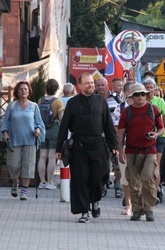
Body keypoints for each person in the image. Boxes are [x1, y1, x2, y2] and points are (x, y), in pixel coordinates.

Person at [56, 73, 118, 223]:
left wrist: (113, 145)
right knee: (80, 178)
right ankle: (84, 211)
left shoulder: (101, 102)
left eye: (92, 82)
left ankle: (95, 200)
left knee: (99, 176)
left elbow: (108, 125)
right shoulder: (72, 103)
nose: (91, 85)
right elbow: (64, 126)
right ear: (80, 86)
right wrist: (59, 148)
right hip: (79, 146)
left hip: (98, 145)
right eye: (87, 83)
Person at [117, 84, 165, 222]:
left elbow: (161, 128)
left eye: (143, 94)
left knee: (148, 178)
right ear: (131, 97)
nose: (140, 97)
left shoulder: (153, 109)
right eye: (137, 95)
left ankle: (149, 208)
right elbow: (120, 134)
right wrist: (121, 151)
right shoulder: (127, 112)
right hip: (131, 151)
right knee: (133, 182)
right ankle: (137, 209)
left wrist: (155, 134)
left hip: (149, 151)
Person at [0, 81, 46, 201]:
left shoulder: (34, 106)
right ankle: (15, 182)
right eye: (21, 89)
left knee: (28, 166)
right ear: (17, 92)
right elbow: (6, 122)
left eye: (25, 89)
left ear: (29, 91)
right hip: (14, 140)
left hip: (30, 140)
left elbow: (39, 123)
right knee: (13, 165)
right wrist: (4, 132)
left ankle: (24, 191)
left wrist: (38, 130)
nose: (23, 91)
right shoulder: (12, 106)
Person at [143, 77, 165, 204]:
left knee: (155, 165)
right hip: (144, 138)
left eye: (152, 88)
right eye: (147, 88)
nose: (149, 90)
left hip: (160, 137)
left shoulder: (160, 101)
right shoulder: (140, 101)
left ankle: (154, 192)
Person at [95, 77, 122, 198]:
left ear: (107, 86)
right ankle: (104, 185)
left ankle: (118, 185)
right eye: (98, 85)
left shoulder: (116, 98)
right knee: (103, 163)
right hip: (99, 136)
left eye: (102, 85)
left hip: (113, 135)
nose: (100, 87)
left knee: (117, 163)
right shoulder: (93, 99)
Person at [37, 79, 65, 190]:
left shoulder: (40, 100)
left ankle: (42, 182)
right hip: (53, 129)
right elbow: (61, 118)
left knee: (42, 156)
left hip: (42, 130)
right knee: (52, 157)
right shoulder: (58, 102)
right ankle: (50, 182)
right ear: (57, 88)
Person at [112, 81, 134, 216]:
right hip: (125, 146)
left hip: (141, 147)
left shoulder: (147, 107)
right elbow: (115, 125)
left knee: (140, 176)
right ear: (126, 93)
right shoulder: (120, 108)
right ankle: (128, 204)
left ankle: (139, 203)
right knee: (126, 176)